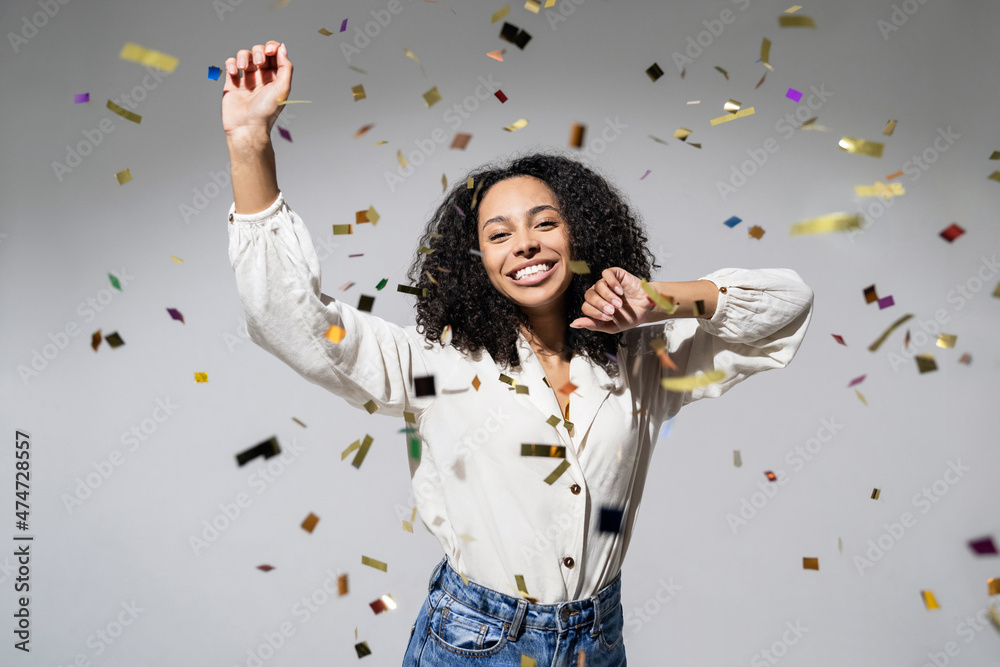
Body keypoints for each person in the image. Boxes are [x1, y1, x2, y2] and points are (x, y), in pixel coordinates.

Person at [223, 40, 814, 667]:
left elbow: (789, 305)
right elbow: (292, 320)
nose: (525, 245)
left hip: (598, 640)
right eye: (499, 235)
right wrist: (248, 142)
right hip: (476, 640)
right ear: (478, 264)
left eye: (545, 224)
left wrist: (661, 301)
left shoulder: (644, 360)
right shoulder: (433, 366)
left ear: (580, 232)